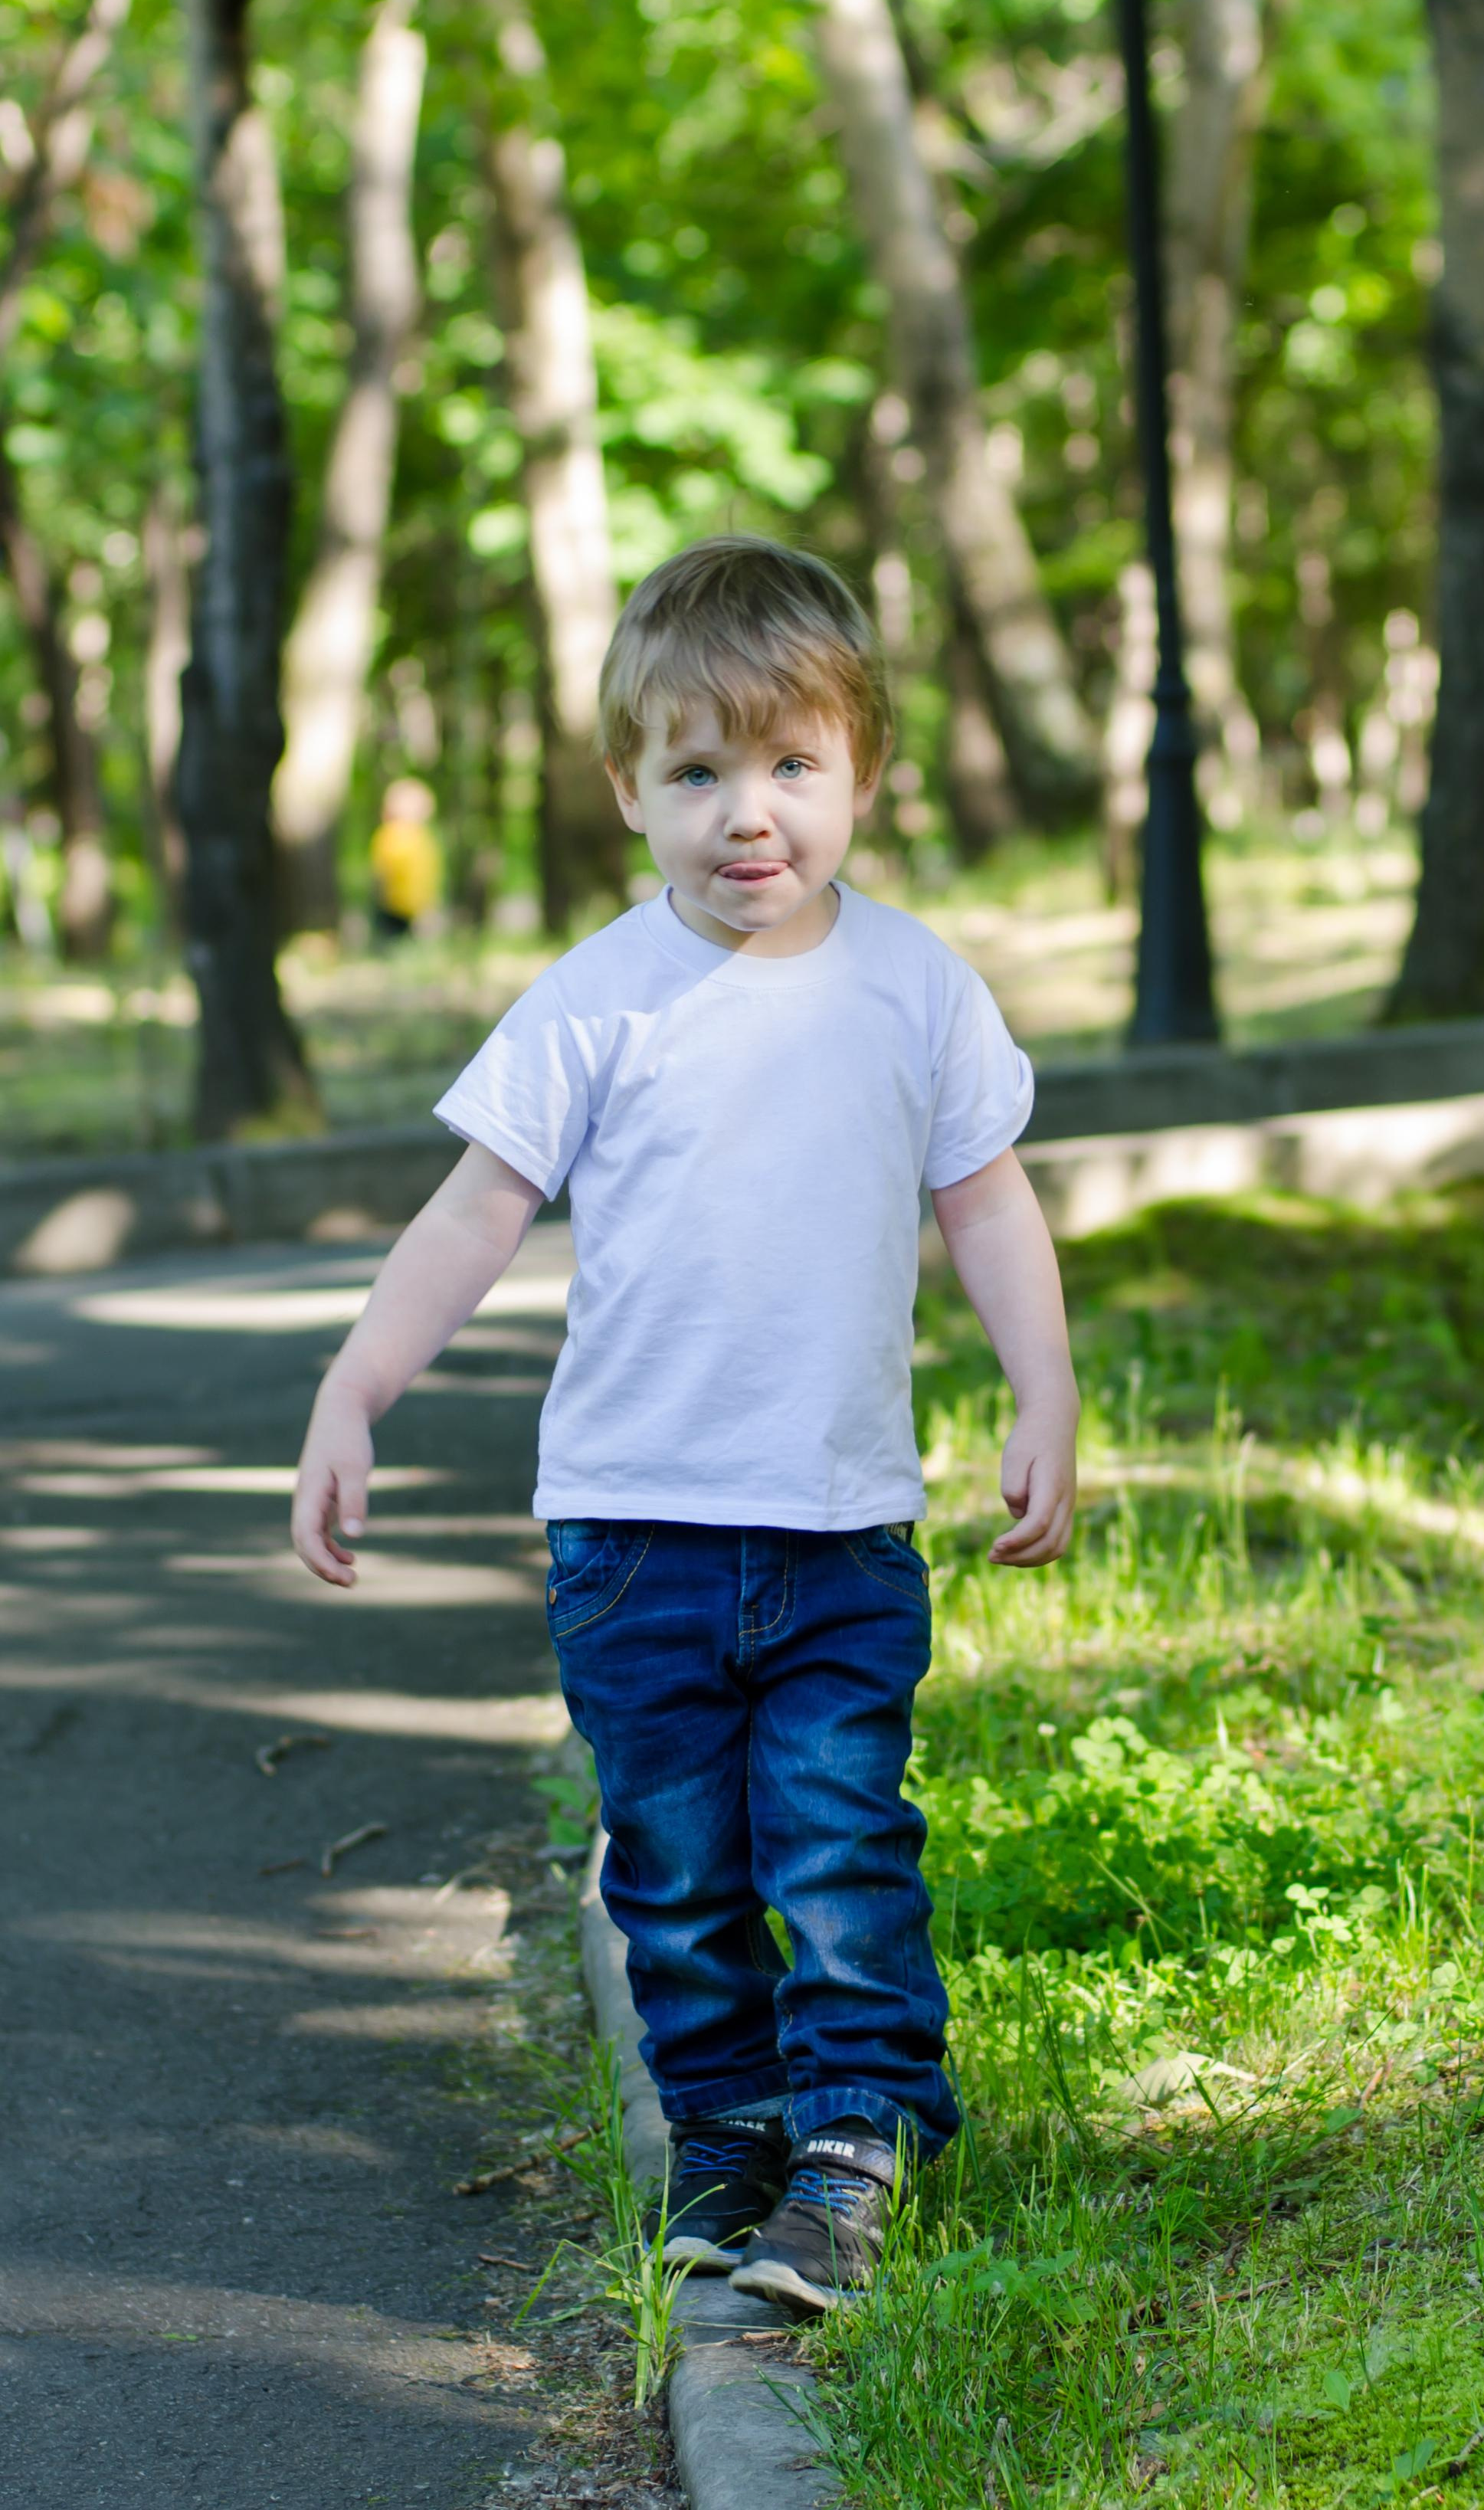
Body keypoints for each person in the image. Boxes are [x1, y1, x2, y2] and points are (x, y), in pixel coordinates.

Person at [290, 537, 1078, 2313]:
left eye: (792, 765)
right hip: (632, 1535)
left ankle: (862, 2133)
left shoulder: (918, 990)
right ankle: (725, 2143)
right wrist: (355, 1387)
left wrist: (1045, 1387)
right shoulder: (592, 1001)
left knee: (838, 1838)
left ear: (862, 772)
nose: (749, 814)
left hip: (834, 1528)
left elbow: (990, 1210)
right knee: (673, 1865)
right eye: (699, 770)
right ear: (626, 788)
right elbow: (470, 1218)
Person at [369, 776, 443, 941]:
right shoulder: (393, 836)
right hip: (395, 906)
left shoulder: (417, 838)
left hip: (411, 906)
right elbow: (383, 873)